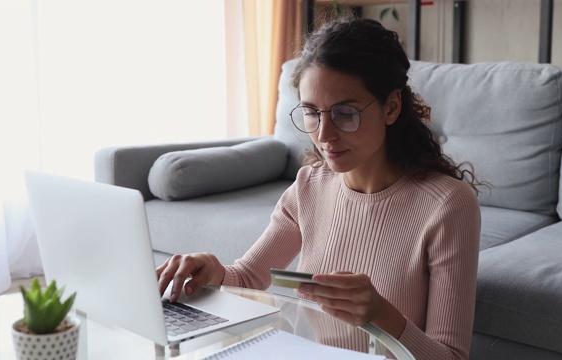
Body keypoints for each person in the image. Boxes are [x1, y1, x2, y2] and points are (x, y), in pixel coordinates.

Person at [157, 15, 483, 360]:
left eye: (345, 113)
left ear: (391, 106)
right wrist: (212, 269)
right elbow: (250, 277)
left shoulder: (448, 205)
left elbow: (451, 356)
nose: (324, 135)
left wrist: (381, 316)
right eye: (312, 112)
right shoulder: (309, 186)